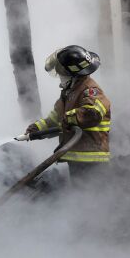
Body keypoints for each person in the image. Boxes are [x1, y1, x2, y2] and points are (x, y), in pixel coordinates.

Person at [26, 45, 111, 184]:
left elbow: (93, 113)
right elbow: (56, 118)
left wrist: (69, 118)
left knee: (93, 198)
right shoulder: (69, 92)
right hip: (76, 157)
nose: (59, 77)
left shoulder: (90, 90)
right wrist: (38, 128)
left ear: (74, 74)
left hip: (92, 159)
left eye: (62, 74)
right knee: (80, 198)